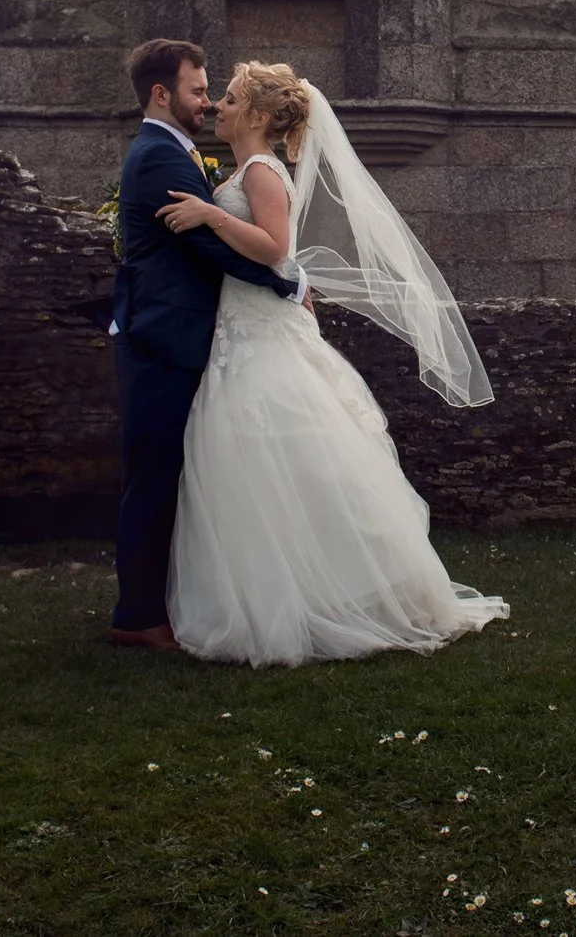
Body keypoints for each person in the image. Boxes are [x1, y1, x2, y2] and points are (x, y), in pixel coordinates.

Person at [152, 60, 507, 665]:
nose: (220, 108)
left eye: (231, 99)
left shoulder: (262, 170)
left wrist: (210, 215)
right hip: (242, 329)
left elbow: (274, 248)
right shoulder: (247, 168)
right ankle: (275, 592)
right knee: (252, 467)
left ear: (260, 117)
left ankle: (327, 597)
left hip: (260, 336)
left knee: (277, 457)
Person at [106, 40, 305, 651]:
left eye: (219, 92)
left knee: (179, 475)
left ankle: (168, 603)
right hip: (165, 339)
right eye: (198, 90)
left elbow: (241, 237)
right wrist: (288, 284)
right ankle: (139, 617)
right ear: (162, 94)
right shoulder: (162, 157)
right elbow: (208, 249)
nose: (209, 100)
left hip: (190, 336)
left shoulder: (182, 154)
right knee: (156, 477)